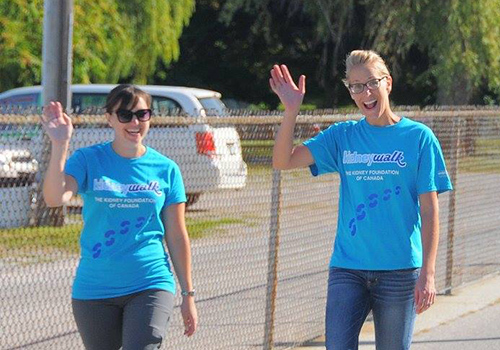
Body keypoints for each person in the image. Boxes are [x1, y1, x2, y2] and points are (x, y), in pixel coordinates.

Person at [269, 50, 452, 350]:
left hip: (399, 272)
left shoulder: (419, 138)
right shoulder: (343, 137)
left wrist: (428, 274)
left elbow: (430, 212)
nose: (365, 92)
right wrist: (291, 110)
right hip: (348, 268)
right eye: (355, 86)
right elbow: (282, 161)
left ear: (388, 84)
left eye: (371, 83)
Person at [41, 84, 197, 350]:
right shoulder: (88, 159)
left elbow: (176, 234)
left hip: (150, 281)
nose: (134, 122)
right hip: (95, 289)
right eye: (125, 115)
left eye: (142, 114)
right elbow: (55, 198)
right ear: (109, 118)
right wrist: (60, 144)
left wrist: (188, 294)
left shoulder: (166, 169)